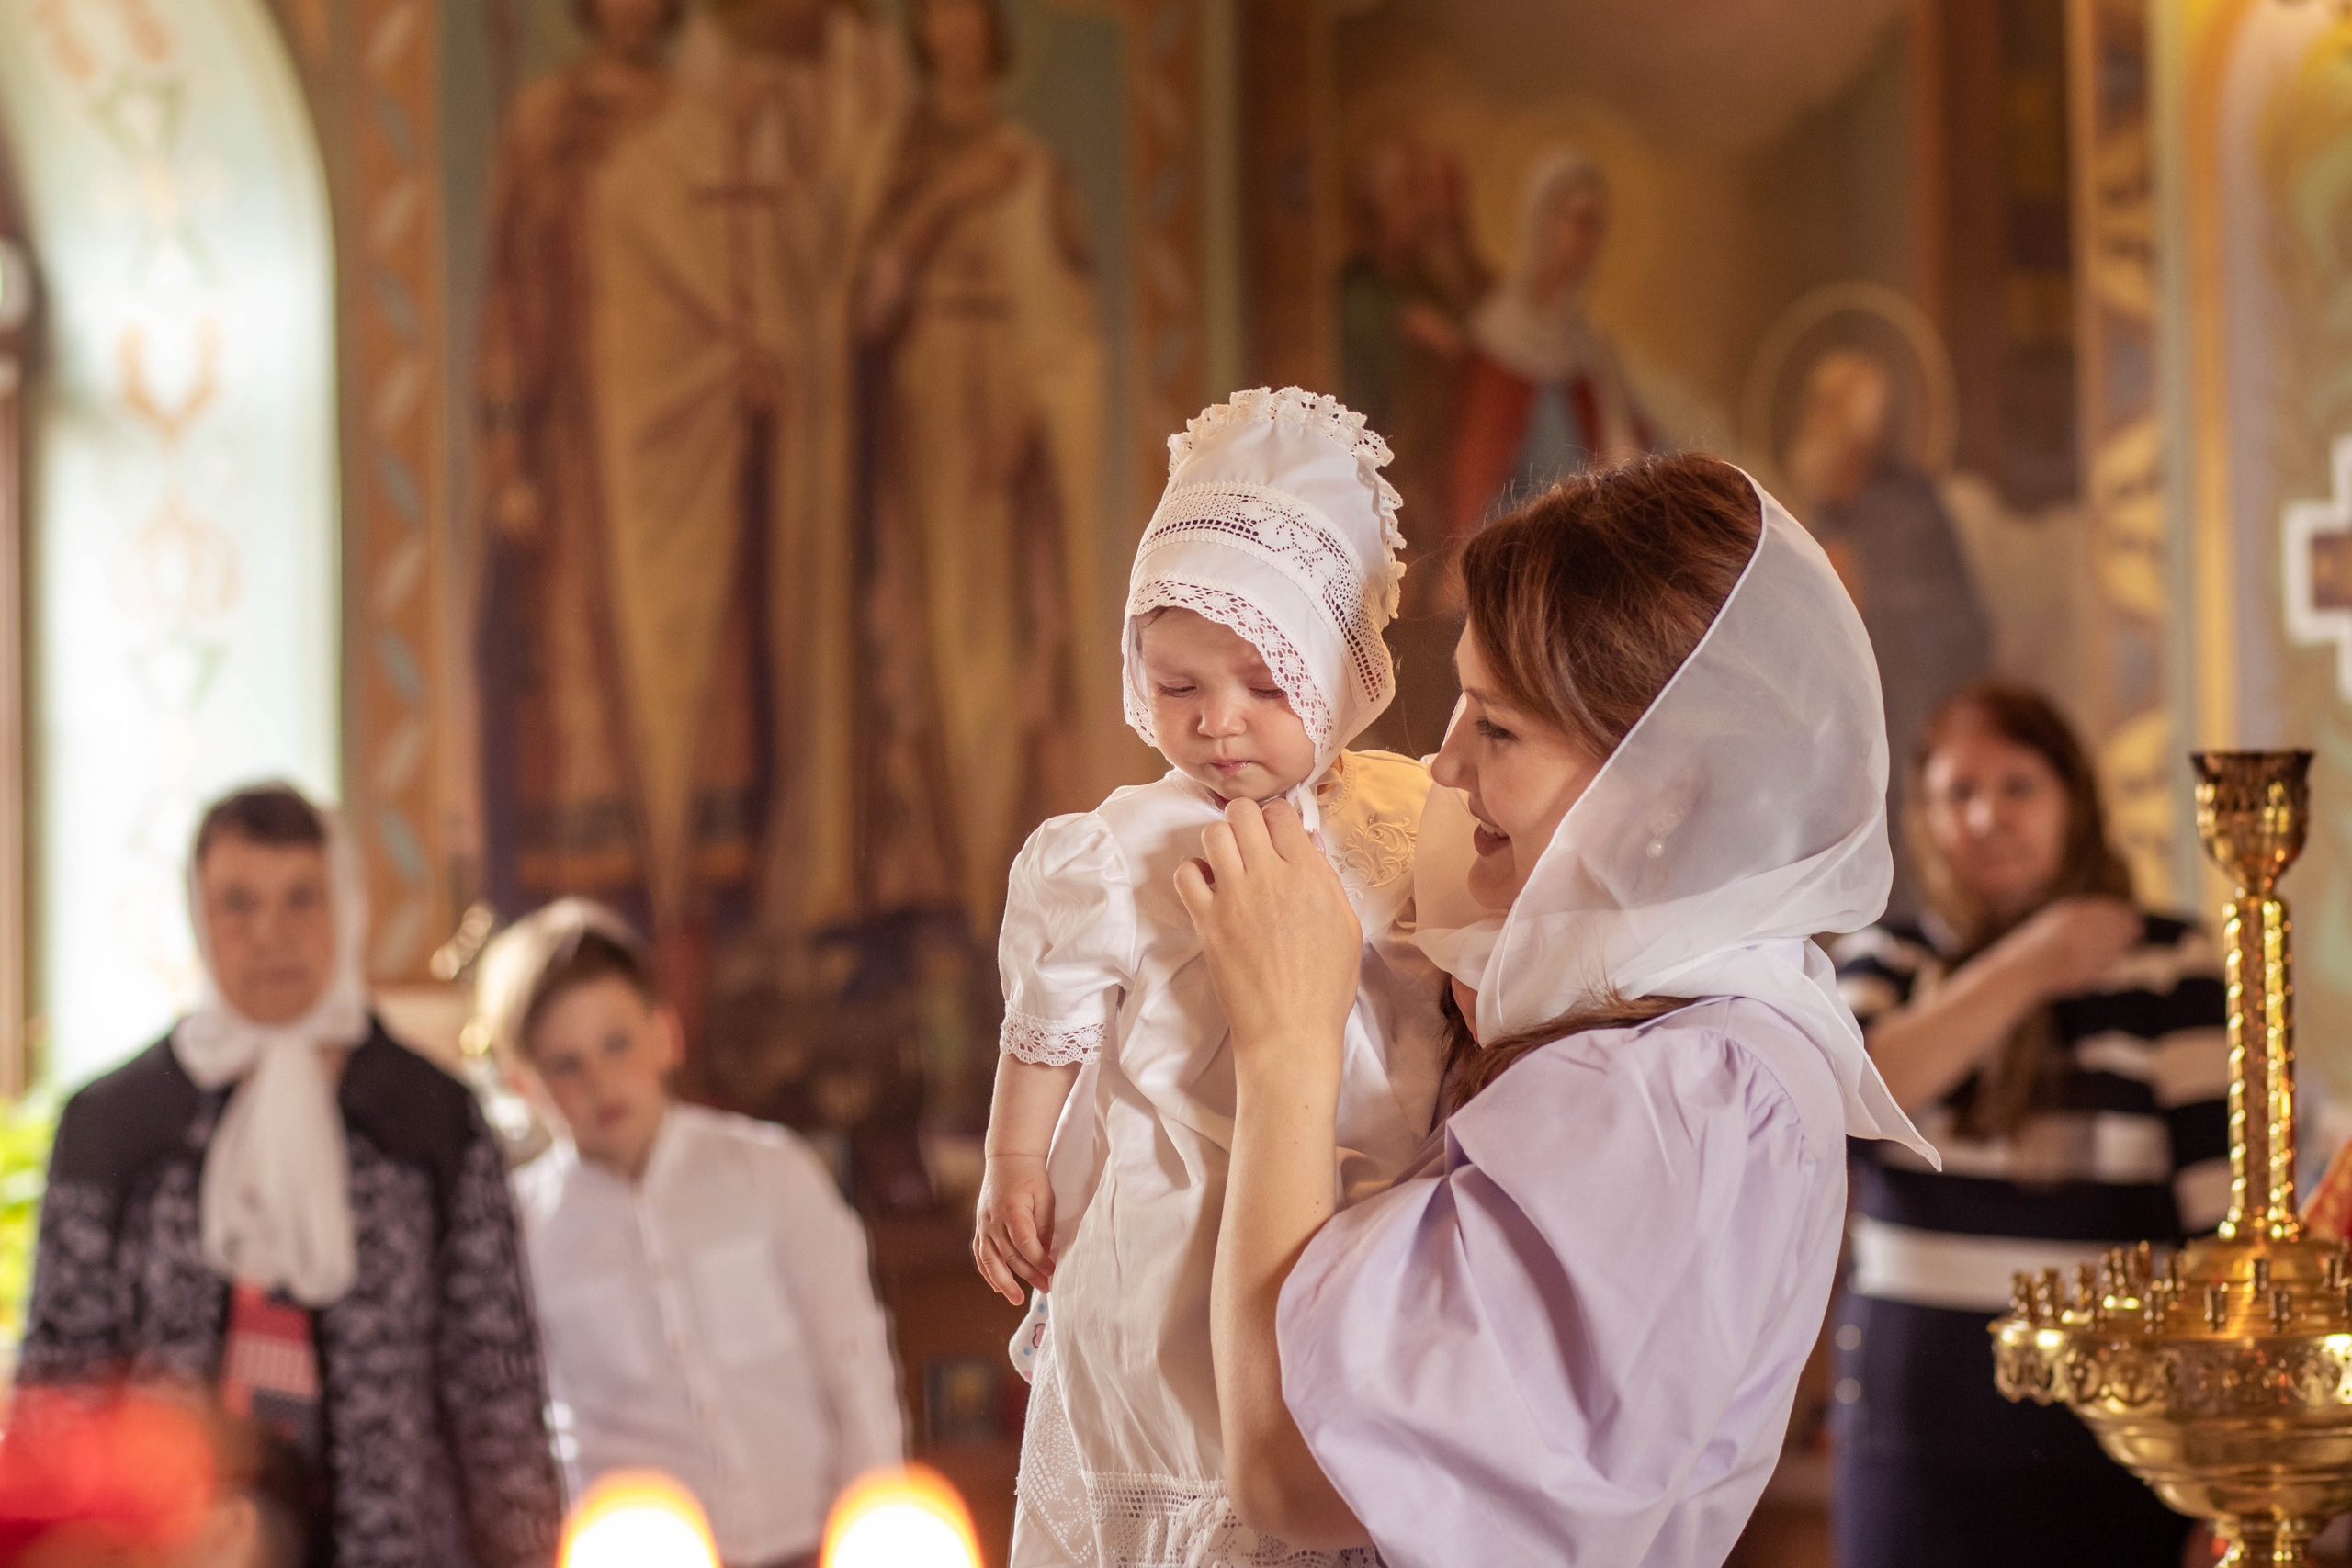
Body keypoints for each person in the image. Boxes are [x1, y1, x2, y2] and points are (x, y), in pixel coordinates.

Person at [1166, 453, 1934, 1564]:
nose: (1442, 766)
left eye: (1497, 728)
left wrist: (1284, 1043)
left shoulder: (1682, 1096)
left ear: (1663, 786)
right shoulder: (1646, 1035)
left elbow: (1295, 1476)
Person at [974, 388, 1447, 1566]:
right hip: (1174, 1210)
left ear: (1340, 675)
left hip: (1366, 1201)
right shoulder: (1118, 848)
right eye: (1177, 688)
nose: (1219, 725)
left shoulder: (1407, 819)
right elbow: (1048, 1021)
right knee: (1186, 1427)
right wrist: (1015, 1159)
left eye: (1265, 686)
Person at [19, 783, 561, 1568]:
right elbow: (61, 1389)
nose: (270, 933)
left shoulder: (429, 1115)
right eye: (238, 903)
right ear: (198, 916)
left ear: (346, 907)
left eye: (302, 898)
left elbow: (495, 1385)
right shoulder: (115, 1123)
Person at [1827, 682, 2227, 1567]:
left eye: (2018, 786)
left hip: (2119, 1442)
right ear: (1924, 817)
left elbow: (2217, 1216)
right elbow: (1854, 1104)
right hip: (1912, 1434)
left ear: (2072, 798)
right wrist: (2038, 960)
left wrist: (2222, 1468)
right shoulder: (1889, 957)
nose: (1987, 817)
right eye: (1958, 793)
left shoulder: (2169, 959)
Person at [492, 899, 905, 1568]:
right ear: (523, 1085)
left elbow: (854, 1361)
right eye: (566, 1065)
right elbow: (527, 1432)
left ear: (666, 1035)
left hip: (813, 1544)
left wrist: (874, 1529)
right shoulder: (519, 1233)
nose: (600, 1081)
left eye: (617, 1044)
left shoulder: (772, 1173)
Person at [852, 0, 1114, 930]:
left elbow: (1073, 339)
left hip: (1007, 450)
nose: (955, 29)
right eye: (938, 12)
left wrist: (1038, 413)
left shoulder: (1032, 168)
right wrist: (938, 205)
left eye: (969, 12)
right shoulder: (894, 162)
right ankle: (944, 878)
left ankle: (1005, 879)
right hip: (924, 427)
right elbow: (866, 311)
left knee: (1012, 656)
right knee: (927, 647)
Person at [475, 0, 681, 928]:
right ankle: (579, 938)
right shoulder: (546, 119)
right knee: (576, 706)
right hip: (579, 456)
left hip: (683, 468)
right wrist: (507, 450)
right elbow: (512, 286)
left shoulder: (698, 118)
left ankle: (684, 937)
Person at [1784, 346, 1994, 921]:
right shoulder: (1819, 516)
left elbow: (1954, 622)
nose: (1813, 420)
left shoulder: (1908, 509)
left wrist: (1867, 592)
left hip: (1904, 707)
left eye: (1827, 406)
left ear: (1863, 424)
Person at [1443, 150, 1657, 545]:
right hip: (1517, 551)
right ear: (1540, 221)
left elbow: (1629, 454)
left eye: (1594, 226)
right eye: (1575, 220)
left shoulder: (1589, 349)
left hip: (1587, 544)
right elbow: (1473, 480)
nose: (1584, 240)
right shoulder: (1496, 335)